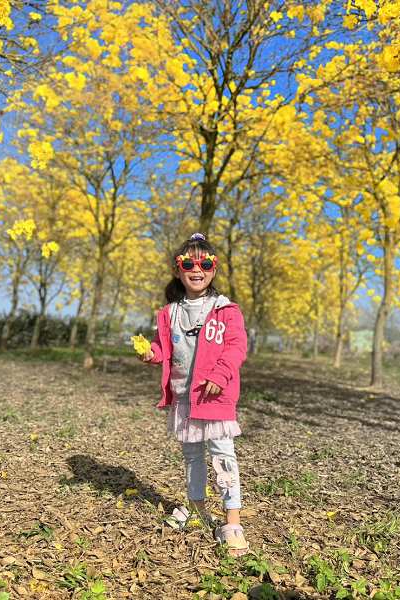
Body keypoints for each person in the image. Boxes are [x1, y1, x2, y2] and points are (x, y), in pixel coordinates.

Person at [139, 232, 249, 556]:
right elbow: (166, 348)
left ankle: (232, 521)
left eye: (204, 263)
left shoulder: (225, 309)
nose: (196, 268)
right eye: (188, 262)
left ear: (213, 269)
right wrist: (152, 353)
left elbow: (236, 347)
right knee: (191, 456)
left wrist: (220, 374)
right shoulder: (169, 312)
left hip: (214, 398)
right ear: (178, 269)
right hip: (184, 397)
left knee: (223, 457)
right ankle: (198, 508)